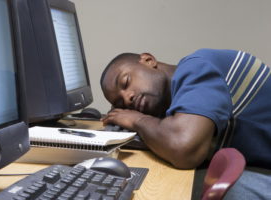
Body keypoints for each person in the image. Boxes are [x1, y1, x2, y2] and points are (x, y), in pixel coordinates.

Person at [100, 48, 271, 170]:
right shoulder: (178, 100)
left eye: (126, 82)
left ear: (148, 60)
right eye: (120, 103)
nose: (127, 98)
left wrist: (138, 120)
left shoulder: (197, 68)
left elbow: (184, 149)